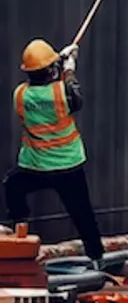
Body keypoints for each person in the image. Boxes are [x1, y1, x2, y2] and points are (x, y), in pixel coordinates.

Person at [4, 40, 103, 264]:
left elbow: (46, 77)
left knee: (13, 187)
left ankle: (19, 225)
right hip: (68, 165)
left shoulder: (20, 95)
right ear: (51, 71)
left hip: (35, 166)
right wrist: (69, 68)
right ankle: (96, 256)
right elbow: (75, 97)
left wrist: (59, 59)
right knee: (83, 214)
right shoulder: (62, 92)